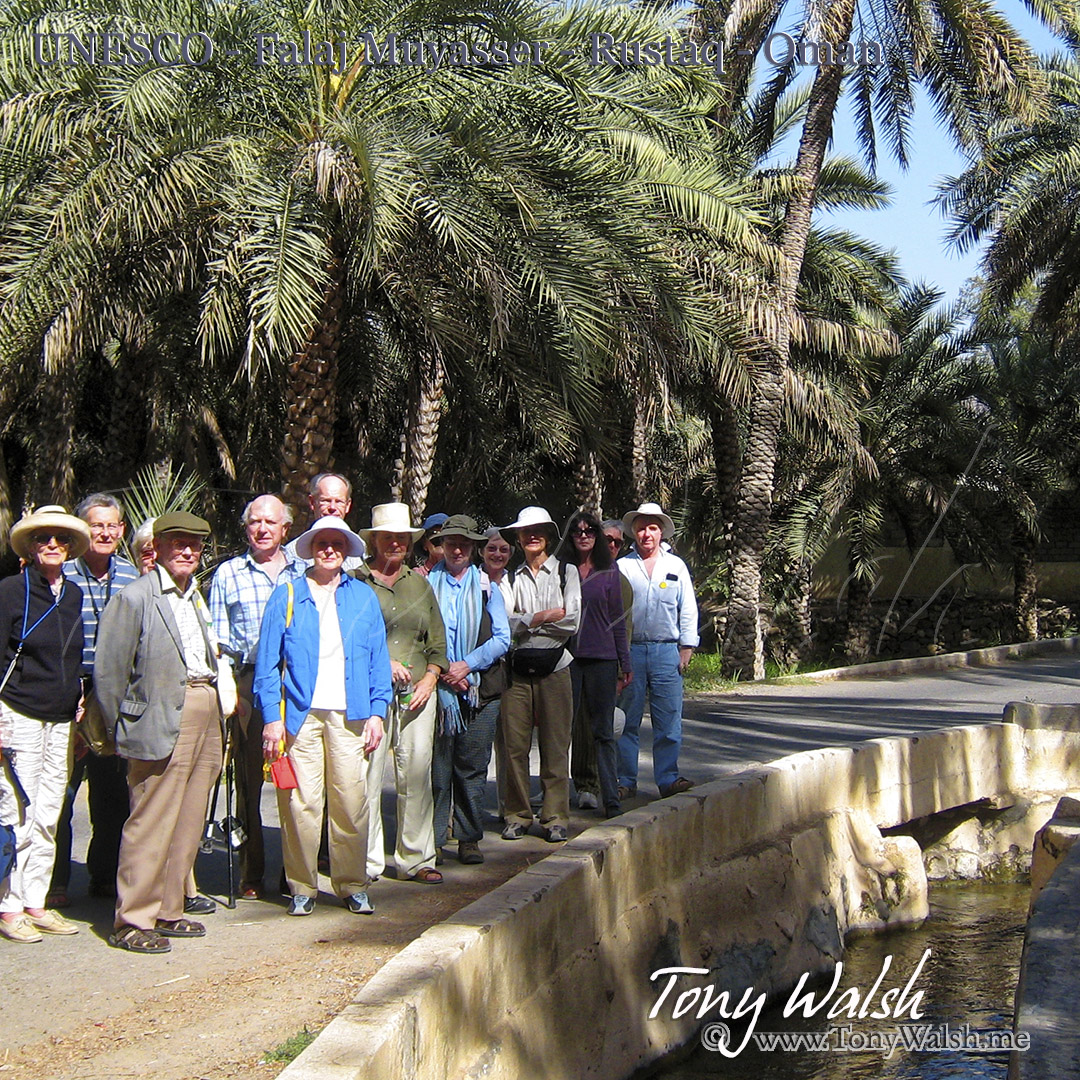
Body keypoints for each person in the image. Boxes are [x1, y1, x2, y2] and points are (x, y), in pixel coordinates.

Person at [96, 512, 231, 953]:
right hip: (156, 718)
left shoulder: (196, 597)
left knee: (190, 817)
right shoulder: (135, 597)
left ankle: (170, 909)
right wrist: (125, 726)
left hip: (204, 709)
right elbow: (110, 673)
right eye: (178, 543)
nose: (187, 551)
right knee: (150, 820)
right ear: (159, 546)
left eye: (194, 544)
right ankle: (133, 918)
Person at [254, 516, 390, 915]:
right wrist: (271, 718)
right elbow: (266, 665)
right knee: (301, 804)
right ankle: (302, 885)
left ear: (346, 550)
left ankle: (351, 884)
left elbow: (378, 662)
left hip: (351, 715)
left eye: (336, 543)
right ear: (311, 549)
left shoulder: (363, 597)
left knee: (351, 801)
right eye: (321, 543)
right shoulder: (288, 595)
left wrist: (378, 713)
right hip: (300, 716)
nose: (328, 550)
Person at [0, 506, 89, 943]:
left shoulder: (72, 595)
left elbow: (72, 657)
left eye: (60, 538)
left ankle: (36, 900)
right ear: (31, 548)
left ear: (70, 547)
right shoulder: (11, 592)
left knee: (50, 812)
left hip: (60, 720)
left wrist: (77, 701)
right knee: (18, 811)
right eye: (43, 538)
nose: (52, 544)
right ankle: (9, 905)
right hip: (18, 714)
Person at [209, 495, 304, 900]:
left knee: (297, 778)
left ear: (286, 529)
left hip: (295, 682)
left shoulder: (303, 572)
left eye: (271, 522)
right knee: (249, 780)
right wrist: (229, 691)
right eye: (254, 522)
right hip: (247, 681)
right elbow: (218, 641)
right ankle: (252, 871)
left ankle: (295, 869)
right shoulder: (228, 573)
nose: (262, 529)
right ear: (246, 528)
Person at [49, 494, 138, 907]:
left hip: (114, 695)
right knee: (62, 792)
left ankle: (104, 875)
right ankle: (54, 880)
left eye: (112, 526)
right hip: (69, 690)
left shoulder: (131, 575)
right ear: (83, 529)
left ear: (121, 531)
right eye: (96, 525)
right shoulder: (63, 574)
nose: (104, 533)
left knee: (111, 792)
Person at [356, 503, 448, 883]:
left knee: (415, 774)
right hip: (369, 694)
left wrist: (430, 679)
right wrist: (380, 666)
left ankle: (416, 859)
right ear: (374, 541)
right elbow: (349, 641)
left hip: (417, 695)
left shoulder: (420, 584)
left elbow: (438, 642)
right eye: (387, 537)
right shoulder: (355, 582)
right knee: (368, 777)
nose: (394, 543)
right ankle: (366, 863)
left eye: (401, 538)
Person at [428, 516, 510, 865]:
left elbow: (503, 638)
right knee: (437, 769)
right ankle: (431, 841)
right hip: (437, 690)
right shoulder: (426, 585)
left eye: (464, 543)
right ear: (441, 546)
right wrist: (446, 669)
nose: (457, 549)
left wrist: (467, 665)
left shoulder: (486, 586)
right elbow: (421, 637)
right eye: (450, 543)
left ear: (474, 547)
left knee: (472, 768)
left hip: (480, 691)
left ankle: (468, 837)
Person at [499, 506, 580, 843]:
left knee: (555, 745)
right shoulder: (510, 577)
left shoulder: (567, 572)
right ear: (518, 538)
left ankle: (555, 817)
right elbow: (504, 622)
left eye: (538, 530)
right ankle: (517, 815)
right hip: (517, 670)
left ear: (548, 536)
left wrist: (525, 619)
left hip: (556, 667)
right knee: (514, 747)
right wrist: (544, 615)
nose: (532, 536)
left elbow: (572, 621)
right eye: (525, 531)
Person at [616, 502, 700, 800]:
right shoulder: (622, 567)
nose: (646, 533)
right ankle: (625, 780)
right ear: (633, 532)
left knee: (668, 719)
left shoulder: (675, 566)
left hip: (667, 651)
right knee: (627, 719)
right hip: (631, 651)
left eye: (652, 527)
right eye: (641, 527)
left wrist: (687, 646)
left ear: (661, 531)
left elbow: (687, 608)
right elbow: (615, 612)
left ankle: (668, 778)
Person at [563, 510, 631, 819]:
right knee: (563, 730)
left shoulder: (610, 572)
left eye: (589, 531)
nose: (584, 535)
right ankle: (557, 798)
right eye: (578, 531)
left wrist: (624, 663)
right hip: (568, 660)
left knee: (603, 731)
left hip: (602, 660)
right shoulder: (562, 570)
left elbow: (619, 621)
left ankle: (611, 799)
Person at [285, 473, 364, 572]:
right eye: (326, 501)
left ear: (348, 505)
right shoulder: (292, 554)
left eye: (339, 501)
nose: (332, 507)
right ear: (312, 502)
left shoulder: (362, 555)